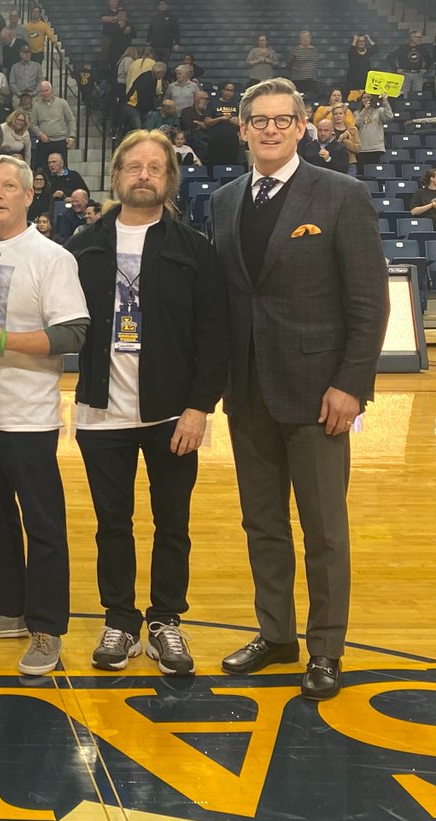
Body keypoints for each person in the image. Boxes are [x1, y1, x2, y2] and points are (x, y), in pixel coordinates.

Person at [209, 78, 388, 701]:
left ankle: (326, 648)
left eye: (282, 119)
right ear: (242, 127)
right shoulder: (226, 200)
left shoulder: (341, 194)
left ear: (301, 126)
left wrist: (350, 386)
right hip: (248, 391)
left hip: (318, 396)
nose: (270, 129)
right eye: (259, 120)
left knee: (324, 530)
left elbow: (369, 302)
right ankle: (276, 634)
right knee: (262, 524)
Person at [65, 130, 228, 675]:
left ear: (168, 178)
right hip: (100, 412)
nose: (143, 174)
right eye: (133, 165)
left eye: (154, 167)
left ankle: (165, 621)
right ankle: (120, 619)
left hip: (171, 414)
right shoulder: (82, 246)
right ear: (115, 176)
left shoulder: (194, 249)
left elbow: (214, 336)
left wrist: (200, 407)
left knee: (172, 523)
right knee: (112, 524)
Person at [0, 154, 89, 674]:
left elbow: (74, 332)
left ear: (30, 195)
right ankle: (8, 608)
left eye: (10, 185)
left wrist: (1, 338)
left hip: (28, 415)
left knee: (43, 523)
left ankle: (48, 627)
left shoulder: (51, 257)